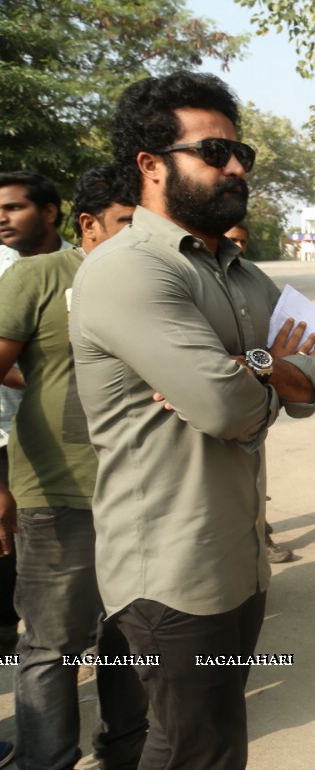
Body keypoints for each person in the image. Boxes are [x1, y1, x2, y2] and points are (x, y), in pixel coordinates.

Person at [70, 70, 315, 770]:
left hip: (238, 557)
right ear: (151, 164)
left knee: (210, 739)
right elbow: (227, 407)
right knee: (195, 749)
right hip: (172, 568)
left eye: (241, 153)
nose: (236, 167)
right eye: (214, 151)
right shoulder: (129, 270)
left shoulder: (242, 273)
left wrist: (244, 360)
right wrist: (269, 374)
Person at [0, 163, 148, 769]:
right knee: (52, 646)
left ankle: (125, 752)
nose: (140, 239)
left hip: (140, 491)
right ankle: (46, 761)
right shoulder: (40, 276)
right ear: (87, 224)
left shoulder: (152, 282)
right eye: (126, 225)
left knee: (128, 639)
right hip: (59, 494)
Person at [0, 171, 74, 665]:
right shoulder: (7, 273)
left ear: (49, 212)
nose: (2, 219)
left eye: (13, 208)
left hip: (74, 441)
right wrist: (49, 386)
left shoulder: (84, 266)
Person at [224, 221, 295, 565]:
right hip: (214, 395)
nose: (237, 247)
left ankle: (260, 538)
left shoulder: (251, 280)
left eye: (242, 241)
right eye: (231, 240)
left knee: (254, 476)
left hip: (255, 397)